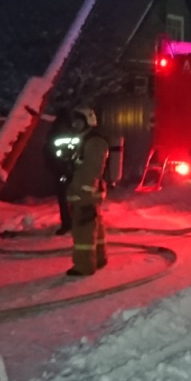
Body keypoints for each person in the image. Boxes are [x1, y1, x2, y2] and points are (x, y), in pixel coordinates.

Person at [64, 106, 109, 276]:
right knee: (93, 225)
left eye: (78, 121)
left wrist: (84, 190)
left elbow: (93, 168)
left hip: (85, 192)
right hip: (86, 189)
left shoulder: (94, 141)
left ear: (88, 121)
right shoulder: (86, 139)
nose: (75, 125)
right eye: (74, 122)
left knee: (83, 228)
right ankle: (99, 258)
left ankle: (84, 266)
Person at [43, 107, 75, 236]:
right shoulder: (73, 132)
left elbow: (48, 153)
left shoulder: (53, 132)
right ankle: (75, 222)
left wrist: (55, 169)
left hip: (60, 171)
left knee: (63, 199)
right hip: (72, 170)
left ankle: (67, 223)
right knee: (74, 198)